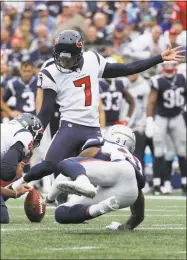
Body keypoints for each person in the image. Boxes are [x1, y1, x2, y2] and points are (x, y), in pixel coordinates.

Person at [10, 29, 185, 191]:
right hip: (69, 127)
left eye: (69, 58)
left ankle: (86, 196)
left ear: (79, 54)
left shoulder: (92, 60)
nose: (64, 62)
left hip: (92, 129)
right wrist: (35, 138)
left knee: (95, 164)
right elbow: (46, 111)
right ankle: (15, 185)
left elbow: (127, 68)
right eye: (61, 57)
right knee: (49, 166)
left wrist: (160, 58)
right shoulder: (50, 72)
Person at [47, 125, 145, 231]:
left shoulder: (102, 147)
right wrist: (131, 223)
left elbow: (72, 170)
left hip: (117, 169)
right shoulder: (135, 161)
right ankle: (100, 208)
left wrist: (51, 198)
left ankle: (83, 183)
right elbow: (138, 196)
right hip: (129, 193)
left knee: (66, 163)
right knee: (61, 213)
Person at [145, 61, 186, 195]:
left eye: (172, 66)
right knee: (158, 151)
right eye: (166, 66)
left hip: (177, 116)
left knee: (182, 150)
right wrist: (149, 119)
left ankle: (184, 182)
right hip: (161, 118)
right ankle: (158, 183)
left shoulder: (182, 78)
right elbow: (151, 102)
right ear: (162, 68)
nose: (169, 69)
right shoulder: (158, 81)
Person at [1, 113, 44, 183]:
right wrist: (16, 173)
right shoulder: (26, 135)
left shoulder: (4, 127)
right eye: (34, 143)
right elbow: (6, 173)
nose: (33, 147)